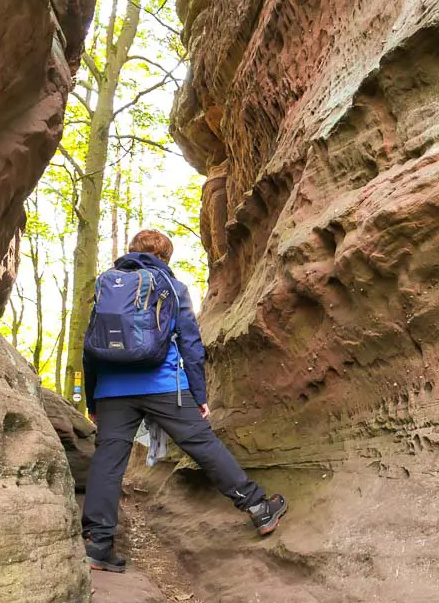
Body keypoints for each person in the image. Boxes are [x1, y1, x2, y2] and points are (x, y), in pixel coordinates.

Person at [81, 229, 287, 573]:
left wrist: (93, 399)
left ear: (132, 252)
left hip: (112, 389)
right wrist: (199, 394)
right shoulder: (171, 287)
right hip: (164, 386)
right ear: (166, 257)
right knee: (203, 445)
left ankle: (98, 544)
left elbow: (90, 347)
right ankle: (257, 508)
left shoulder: (107, 285)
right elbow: (191, 345)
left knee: (107, 462)